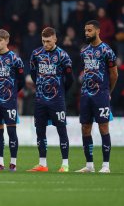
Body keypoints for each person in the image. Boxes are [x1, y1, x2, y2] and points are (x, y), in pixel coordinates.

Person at [28, 27, 74, 172]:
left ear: (55, 39)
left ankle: (65, 164)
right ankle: (43, 164)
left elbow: (70, 79)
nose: (46, 44)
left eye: (48, 41)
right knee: (40, 131)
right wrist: (41, 88)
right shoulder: (36, 54)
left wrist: (61, 91)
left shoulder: (63, 55)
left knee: (62, 130)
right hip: (41, 100)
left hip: (57, 100)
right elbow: (33, 74)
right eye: (43, 41)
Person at [76, 20, 118, 173]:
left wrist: (108, 92)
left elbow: (114, 74)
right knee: (85, 128)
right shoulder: (84, 51)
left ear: (98, 31)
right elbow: (85, 71)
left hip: (101, 94)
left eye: (89, 30)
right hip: (86, 95)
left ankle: (106, 165)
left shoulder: (107, 50)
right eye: (85, 30)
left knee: (103, 127)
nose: (87, 33)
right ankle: (89, 165)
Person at [0, 29, 24, 171]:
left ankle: (13, 163)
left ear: (7, 41)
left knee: (11, 131)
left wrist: (11, 93)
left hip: (9, 101)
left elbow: (21, 81)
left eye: (0, 40)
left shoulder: (15, 59)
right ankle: (0, 163)